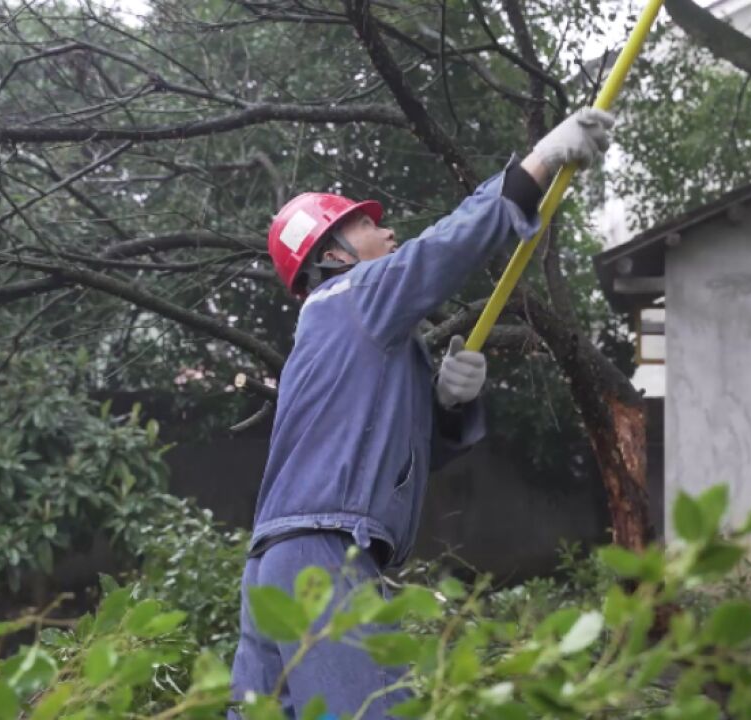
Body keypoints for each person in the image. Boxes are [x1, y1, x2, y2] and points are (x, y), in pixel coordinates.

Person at [228, 108, 616, 718]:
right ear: (331, 256)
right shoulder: (352, 299)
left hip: (278, 562)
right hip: (323, 557)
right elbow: (445, 249)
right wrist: (539, 164)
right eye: (360, 226)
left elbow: (388, 458)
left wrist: (446, 406)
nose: (386, 234)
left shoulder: (342, 335)